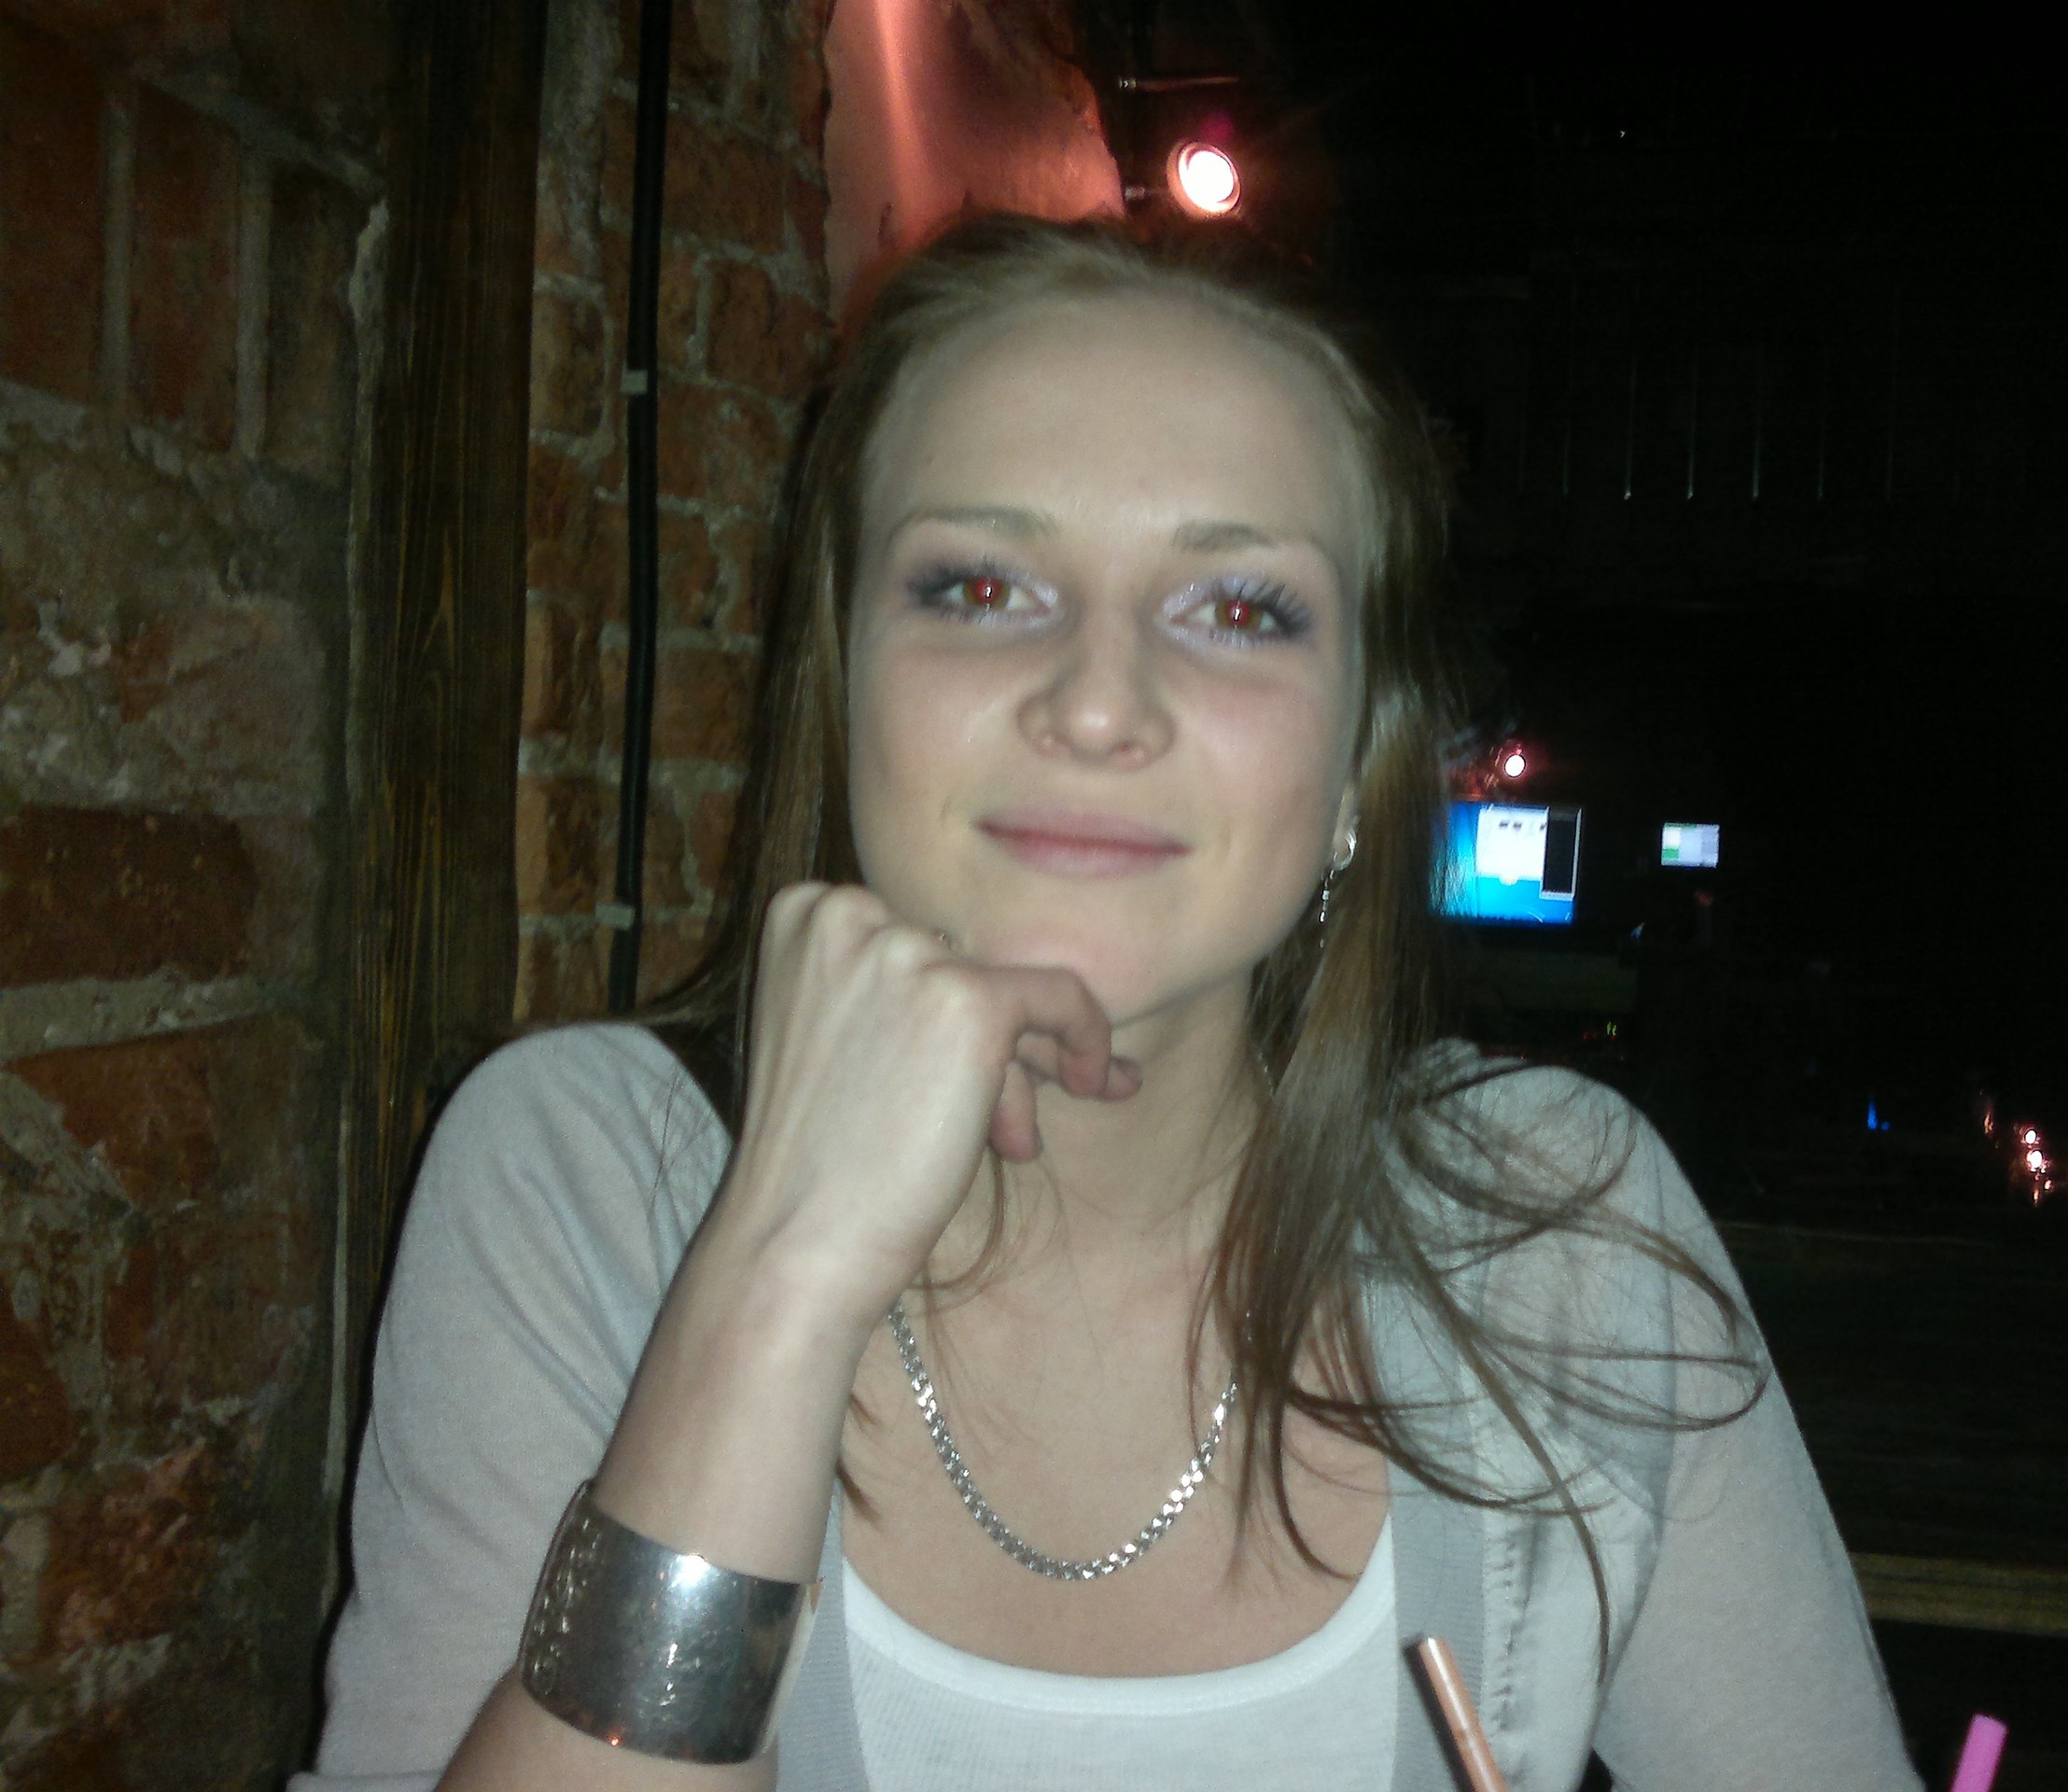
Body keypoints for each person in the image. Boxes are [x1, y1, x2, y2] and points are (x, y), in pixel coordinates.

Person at [296, 216, 1921, 1792]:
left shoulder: (1558, 1235)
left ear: (1357, 763)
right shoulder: (584, 1174)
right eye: (978, 588)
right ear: (845, 680)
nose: (1095, 702)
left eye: (1240, 609)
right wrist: (779, 1276)